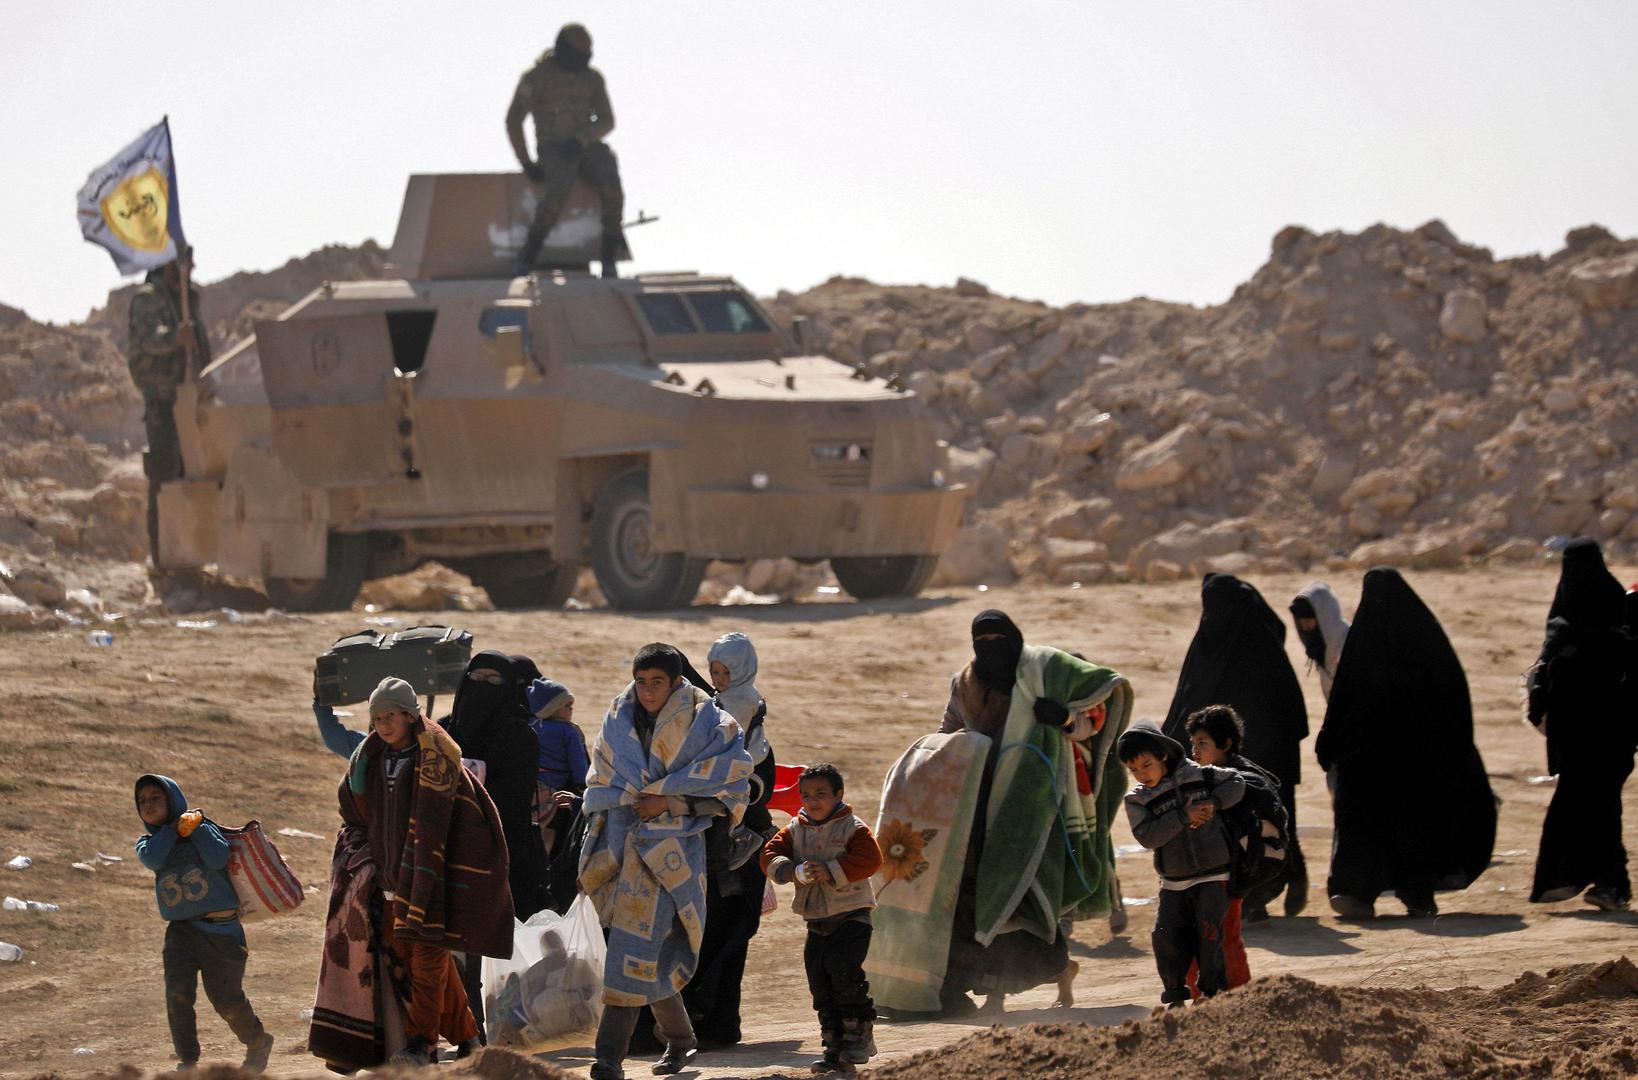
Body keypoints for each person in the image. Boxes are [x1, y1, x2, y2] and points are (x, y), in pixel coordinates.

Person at [926, 610, 1131, 1015]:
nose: (990, 650)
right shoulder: (964, 684)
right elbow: (947, 732)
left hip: (1033, 808)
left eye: (998, 640)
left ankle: (1002, 994)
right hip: (979, 807)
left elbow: (1094, 711)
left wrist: (1065, 718)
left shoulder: (1042, 671)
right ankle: (991, 985)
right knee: (976, 898)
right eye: (981, 642)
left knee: (1018, 894)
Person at [309, 677, 514, 1069]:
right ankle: (469, 1038)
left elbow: (469, 824)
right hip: (388, 885)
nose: (384, 724)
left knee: (426, 965)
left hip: (431, 885)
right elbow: (353, 816)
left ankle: (421, 1044)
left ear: (410, 715)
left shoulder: (438, 760)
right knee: (423, 966)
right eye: (378, 717)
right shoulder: (368, 761)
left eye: (393, 716)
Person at [579, 643, 753, 1080]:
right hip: (621, 847)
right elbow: (601, 779)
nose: (647, 691)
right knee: (646, 957)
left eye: (657, 683)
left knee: (630, 954)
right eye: (641, 682)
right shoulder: (617, 718)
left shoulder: (711, 725)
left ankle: (608, 1061)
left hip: (673, 856)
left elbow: (731, 789)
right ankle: (680, 1040)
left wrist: (670, 801)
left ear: (677, 682)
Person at [1316, 568, 1496, 919]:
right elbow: (1454, 700)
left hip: (1381, 761)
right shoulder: (1427, 640)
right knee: (1408, 827)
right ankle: (1401, 895)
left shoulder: (1364, 642)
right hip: (1412, 761)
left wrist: (1331, 745)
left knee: (1373, 824)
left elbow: (1343, 703)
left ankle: (1364, 894)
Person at [1162, 574, 1309, 920]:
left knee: (1271, 819)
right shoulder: (1216, 648)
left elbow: (1289, 715)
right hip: (1226, 760)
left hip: (1266, 762)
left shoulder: (1250, 651)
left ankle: (1282, 880)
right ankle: (1256, 896)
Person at [136, 775, 274, 1074]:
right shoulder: (148, 843)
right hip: (180, 932)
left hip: (221, 932)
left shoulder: (203, 827)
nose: (149, 804)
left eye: (156, 797)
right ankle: (188, 1062)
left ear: (173, 800)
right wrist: (173, 830)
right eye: (143, 800)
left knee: (226, 1001)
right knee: (177, 995)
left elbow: (217, 857)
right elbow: (154, 859)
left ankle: (258, 1041)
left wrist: (195, 827)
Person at [1527, 539, 1636, 911]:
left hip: (1601, 740)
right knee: (1590, 807)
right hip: (1595, 740)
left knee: (1600, 808)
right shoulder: (1612, 620)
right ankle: (1581, 880)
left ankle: (1613, 885)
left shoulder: (1578, 625)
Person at [761, 763, 884, 1072]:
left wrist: (829, 870)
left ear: (838, 795)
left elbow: (871, 858)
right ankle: (834, 1050)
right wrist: (790, 870)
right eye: (805, 795)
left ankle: (860, 1037)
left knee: (845, 974)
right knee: (820, 983)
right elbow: (769, 854)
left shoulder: (852, 827)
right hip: (816, 922)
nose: (812, 801)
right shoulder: (795, 829)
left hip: (852, 916)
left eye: (821, 794)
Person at [1118, 720, 1245, 1007]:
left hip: (1214, 874)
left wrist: (1213, 802)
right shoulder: (1138, 799)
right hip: (1173, 881)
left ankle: (1212, 996)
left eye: (1145, 764)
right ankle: (1175, 995)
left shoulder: (1201, 775)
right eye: (1133, 769)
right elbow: (1147, 837)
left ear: (1162, 755)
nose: (1140, 774)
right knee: (1166, 937)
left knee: (1209, 934)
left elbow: (1237, 782)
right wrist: (1182, 817)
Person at [506, 23, 625, 278]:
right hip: (554, 148)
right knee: (556, 192)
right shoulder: (537, 78)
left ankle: (609, 257)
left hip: (587, 146)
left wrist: (583, 139)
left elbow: (607, 119)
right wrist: (527, 162)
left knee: (612, 187)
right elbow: (514, 120)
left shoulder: (593, 79)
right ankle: (529, 253)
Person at [1182, 705, 1278, 991]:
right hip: (1200, 875)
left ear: (1225, 744)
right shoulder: (1203, 776)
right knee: (1193, 936)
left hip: (1227, 877)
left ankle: (1238, 998)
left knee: (1225, 937)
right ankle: (1200, 999)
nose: (1195, 751)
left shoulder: (1237, 781)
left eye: (1202, 743)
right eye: (1193, 744)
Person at [443, 651, 545, 920]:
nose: (483, 685)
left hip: (502, 854)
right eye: (477, 678)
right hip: (445, 852)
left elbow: (513, 798)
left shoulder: (520, 736)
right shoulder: (443, 733)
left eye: (493, 680)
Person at [126, 248, 210, 561]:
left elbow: (202, 344)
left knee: (195, 473)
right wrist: (176, 337)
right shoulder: (148, 298)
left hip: (192, 398)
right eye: (186, 260)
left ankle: (191, 552)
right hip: (163, 398)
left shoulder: (190, 298)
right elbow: (149, 338)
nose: (192, 266)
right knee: (165, 472)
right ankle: (164, 557)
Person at [527, 677, 589, 794]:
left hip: (529, 781)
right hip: (555, 783)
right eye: (567, 705)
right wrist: (582, 784)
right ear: (551, 708)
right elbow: (577, 759)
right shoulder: (568, 731)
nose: (571, 708)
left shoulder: (530, 724)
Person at [1289, 583, 1350, 701]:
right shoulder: (1324, 648)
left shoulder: (1349, 644)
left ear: (1325, 617)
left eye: (1308, 621)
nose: (1304, 628)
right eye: (1300, 624)